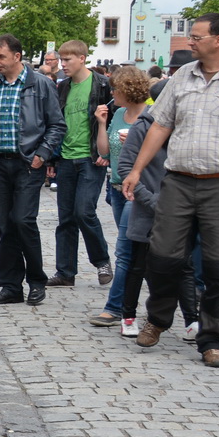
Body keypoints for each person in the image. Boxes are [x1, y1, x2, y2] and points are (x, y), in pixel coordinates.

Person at [121, 13, 219, 367]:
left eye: (196, 36)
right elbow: (160, 125)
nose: (190, 41)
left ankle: (211, 339)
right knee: (162, 258)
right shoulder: (181, 77)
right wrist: (136, 169)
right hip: (178, 180)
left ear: (218, 40)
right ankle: (159, 318)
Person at [0, 33, 65, 306]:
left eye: (1, 56)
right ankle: (10, 286)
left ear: (17, 56)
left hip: (28, 163)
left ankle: (37, 281)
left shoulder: (40, 84)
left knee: (23, 221)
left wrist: (42, 154)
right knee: (6, 225)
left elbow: (57, 125)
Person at [118, 95, 201, 338]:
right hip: (148, 206)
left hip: (181, 208)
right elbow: (126, 167)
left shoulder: (189, 126)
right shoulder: (144, 126)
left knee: (184, 265)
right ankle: (128, 316)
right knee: (138, 263)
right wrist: (152, 200)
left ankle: (191, 320)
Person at [88, 66, 152, 329]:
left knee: (124, 251)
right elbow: (104, 151)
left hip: (137, 191)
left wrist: (135, 143)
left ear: (128, 89)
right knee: (133, 251)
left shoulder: (151, 117)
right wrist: (102, 123)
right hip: (116, 187)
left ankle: (115, 307)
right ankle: (136, 301)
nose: (112, 93)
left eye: (115, 88)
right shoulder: (118, 115)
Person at [52, 40, 115, 287]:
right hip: (66, 158)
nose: (62, 64)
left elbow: (113, 119)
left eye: (67, 60)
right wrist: (53, 156)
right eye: (61, 59)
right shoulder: (62, 87)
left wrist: (106, 151)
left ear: (82, 58)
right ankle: (65, 272)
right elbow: (57, 122)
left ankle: (101, 261)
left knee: (84, 211)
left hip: (91, 158)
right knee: (65, 218)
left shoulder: (102, 85)